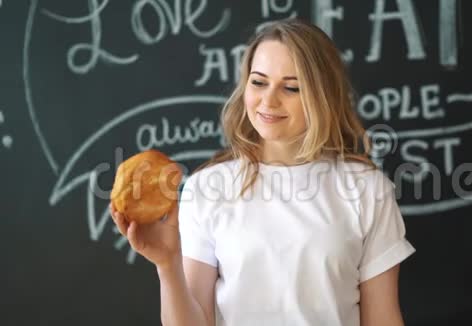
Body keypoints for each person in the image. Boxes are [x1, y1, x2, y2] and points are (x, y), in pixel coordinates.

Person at [110, 18, 416, 326]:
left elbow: (383, 318)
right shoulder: (206, 188)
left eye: (291, 87)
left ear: (323, 96)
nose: (268, 100)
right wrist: (167, 266)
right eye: (258, 82)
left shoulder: (368, 189)